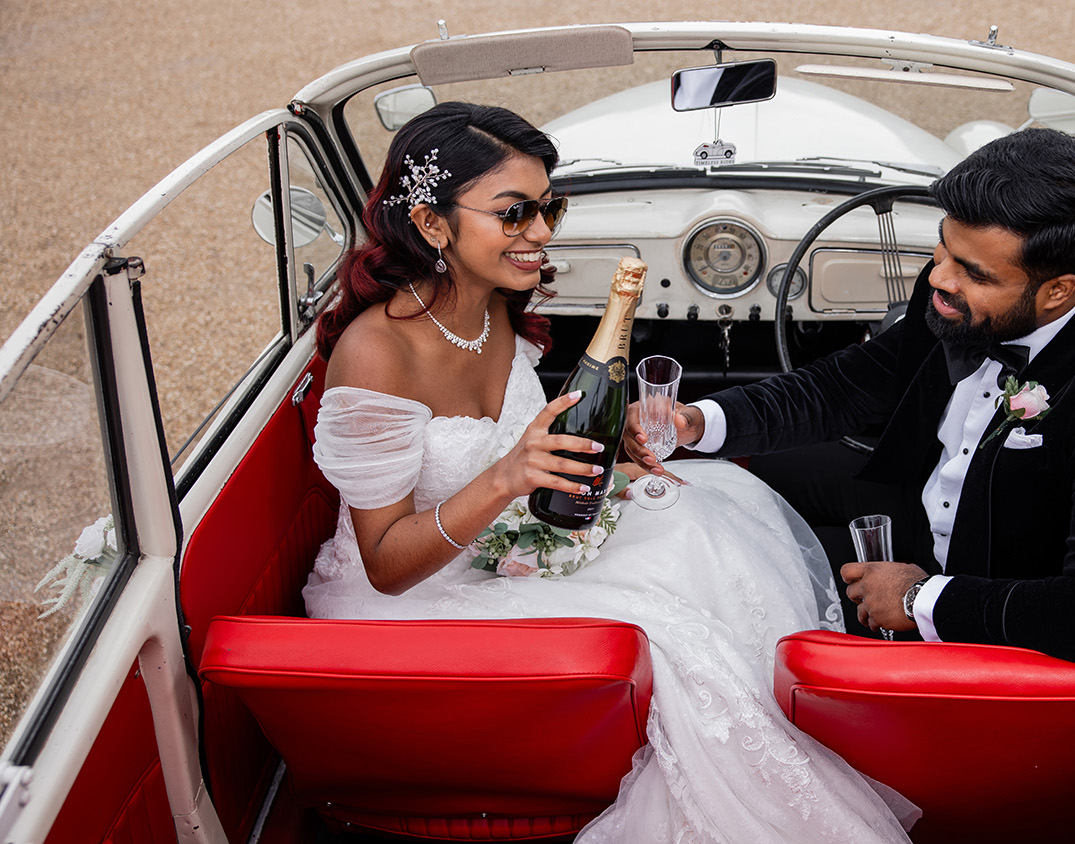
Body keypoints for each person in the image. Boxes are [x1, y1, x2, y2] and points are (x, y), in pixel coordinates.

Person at [301, 102, 917, 842]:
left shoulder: (495, 306)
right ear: (433, 224)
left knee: (708, 519)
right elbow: (386, 566)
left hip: (520, 545)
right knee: (686, 622)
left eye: (547, 207)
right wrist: (506, 477)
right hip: (419, 600)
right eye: (515, 213)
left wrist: (603, 450)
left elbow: (531, 443)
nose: (540, 233)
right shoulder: (376, 353)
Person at [626, 128, 1075, 671]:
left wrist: (923, 597)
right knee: (722, 512)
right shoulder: (954, 287)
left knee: (727, 589)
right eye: (942, 249)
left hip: (982, 598)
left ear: (1058, 291)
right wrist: (698, 422)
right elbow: (846, 386)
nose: (939, 279)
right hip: (919, 506)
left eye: (972, 272)